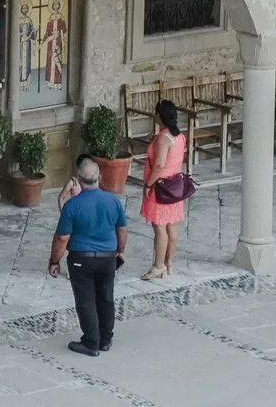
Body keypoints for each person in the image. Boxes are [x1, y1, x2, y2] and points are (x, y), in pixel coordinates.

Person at [47, 155, 126, 356]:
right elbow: (122, 230)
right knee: (106, 297)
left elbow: (62, 238)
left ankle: (91, 342)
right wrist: (120, 251)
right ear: (100, 177)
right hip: (107, 257)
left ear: (79, 178)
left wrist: (54, 261)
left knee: (86, 300)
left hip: (81, 258)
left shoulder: (72, 205)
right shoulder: (113, 201)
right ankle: (106, 340)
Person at [139, 99, 190, 278]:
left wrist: (148, 184)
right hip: (175, 186)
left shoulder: (163, 138)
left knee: (159, 226)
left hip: (161, 187)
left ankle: (158, 265)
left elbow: (159, 165)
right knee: (171, 226)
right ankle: (169, 264)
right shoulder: (179, 136)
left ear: (160, 116)